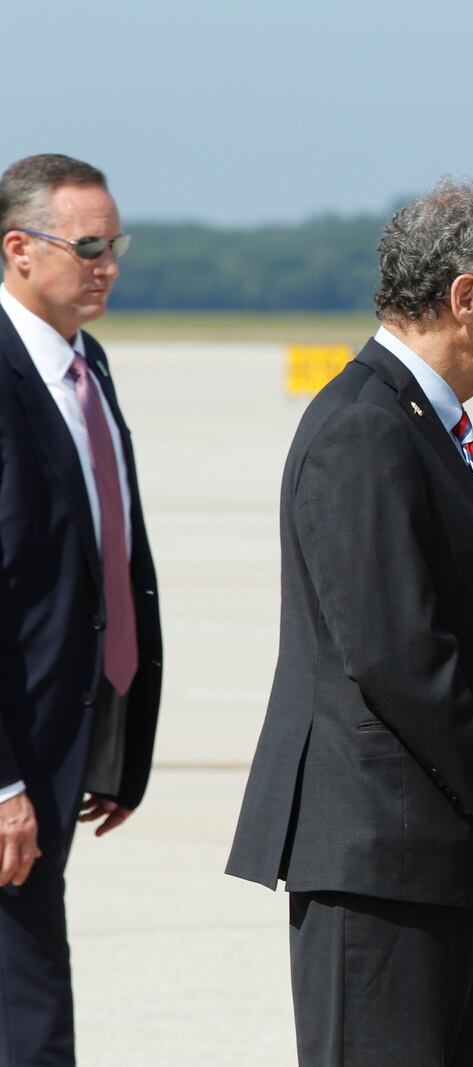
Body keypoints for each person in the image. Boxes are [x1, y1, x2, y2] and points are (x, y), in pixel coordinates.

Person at [225, 179, 473, 1066]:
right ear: (465, 299)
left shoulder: (413, 421)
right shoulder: (365, 429)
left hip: (432, 854)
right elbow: (398, 651)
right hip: (381, 861)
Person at [0, 153, 163, 1065]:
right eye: (87, 245)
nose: (106, 264)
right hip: (12, 754)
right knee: (29, 1001)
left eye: (115, 245)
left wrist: (116, 732)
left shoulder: (85, 362)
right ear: (18, 248)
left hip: (73, 728)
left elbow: (110, 551)